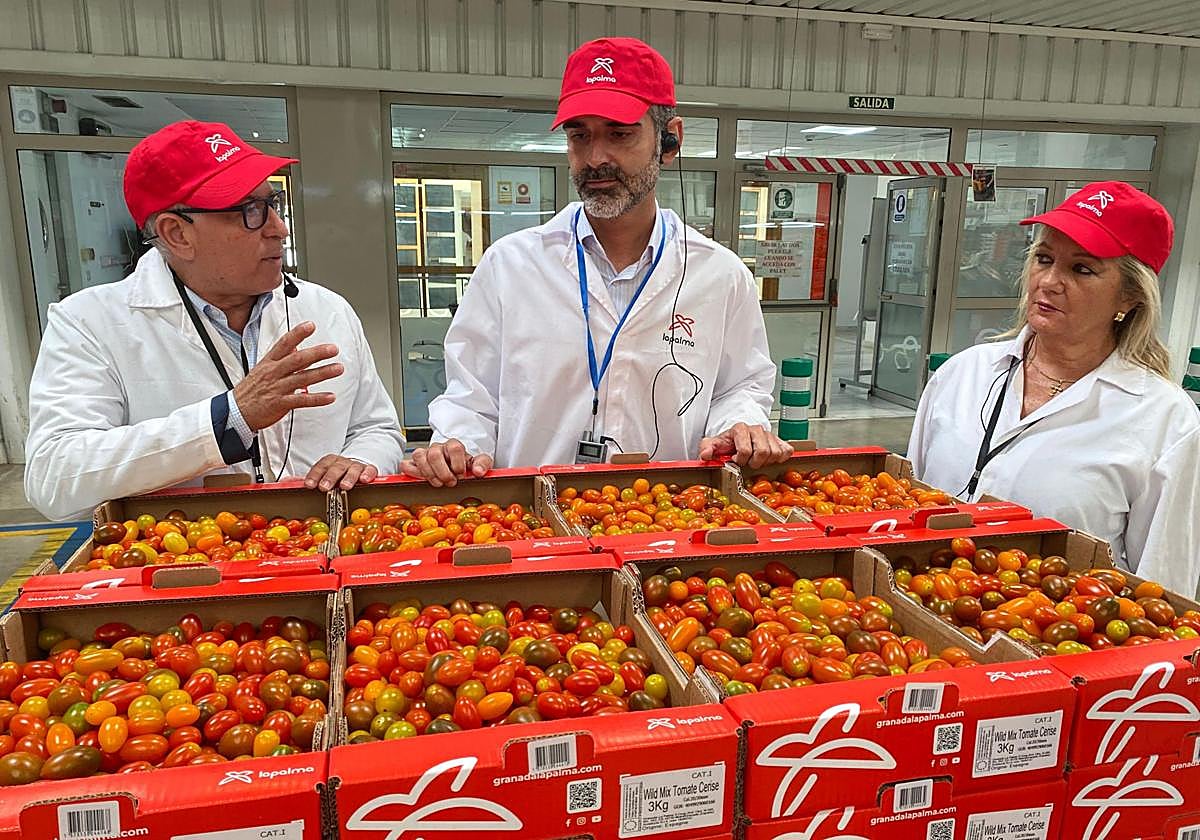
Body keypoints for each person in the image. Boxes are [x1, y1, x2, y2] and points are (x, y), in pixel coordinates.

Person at [405, 37, 791, 487]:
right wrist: (458, 446)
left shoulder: (719, 275)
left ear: (670, 141)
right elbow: (472, 396)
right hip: (534, 524)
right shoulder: (510, 266)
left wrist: (739, 424)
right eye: (579, 135)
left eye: (619, 133)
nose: (595, 158)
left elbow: (741, 384)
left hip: (668, 520)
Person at [25, 120, 405, 521]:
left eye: (272, 204)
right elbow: (54, 477)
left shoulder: (326, 309)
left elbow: (377, 428)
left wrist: (361, 461)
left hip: (322, 550)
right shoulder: (91, 323)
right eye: (250, 212)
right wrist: (227, 420)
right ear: (177, 235)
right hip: (186, 566)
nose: (279, 228)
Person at [909, 181, 1200, 596]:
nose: (1048, 281)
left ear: (1131, 297)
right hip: (924, 621)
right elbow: (907, 506)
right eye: (1043, 259)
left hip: (1059, 645)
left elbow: (1163, 589)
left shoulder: (1164, 421)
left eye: (1082, 269)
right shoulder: (963, 375)